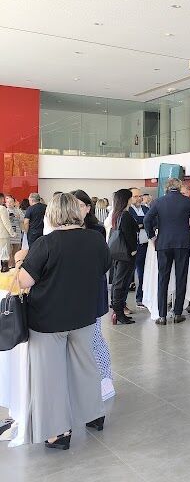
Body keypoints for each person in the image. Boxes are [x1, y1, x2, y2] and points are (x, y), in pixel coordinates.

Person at [15, 192, 111, 450]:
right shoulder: (95, 239)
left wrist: (20, 261)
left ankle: (59, 432)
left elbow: (24, 282)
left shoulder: (46, 244)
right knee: (85, 366)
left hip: (48, 319)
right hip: (84, 315)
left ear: (52, 214)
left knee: (51, 376)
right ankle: (94, 415)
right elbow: (102, 268)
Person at [72, 189, 115, 401]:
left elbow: (102, 262)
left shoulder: (97, 230)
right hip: (72, 293)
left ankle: (105, 380)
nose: (75, 209)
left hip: (92, 289)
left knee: (95, 337)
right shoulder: (63, 230)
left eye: (80, 205)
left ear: (88, 208)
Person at [144, 178, 190, 325]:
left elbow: (146, 220)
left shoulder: (158, 201)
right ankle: (177, 313)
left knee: (163, 278)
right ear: (179, 187)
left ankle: (162, 315)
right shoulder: (187, 201)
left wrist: (152, 236)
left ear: (167, 188)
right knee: (181, 277)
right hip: (183, 243)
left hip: (163, 243)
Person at [108, 189, 138, 325]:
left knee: (118, 282)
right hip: (126, 254)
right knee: (121, 283)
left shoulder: (117, 214)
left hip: (118, 253)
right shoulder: (125, 215)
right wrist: (133, 250)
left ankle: (117, 311)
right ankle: (118, 313)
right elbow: (129, 235)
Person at [128, 187, 150, 309]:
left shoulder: (146, 208)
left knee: (145, 273)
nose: (139, 198)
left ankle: (144, 297)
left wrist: (141, 223)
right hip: (135, 246)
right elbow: (134, 223)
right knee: (138, 273)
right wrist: (142, 222)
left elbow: (152, 221)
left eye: (139, 196)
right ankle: (138, 299)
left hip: (147, 245)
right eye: (135, 196)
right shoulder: (128, 211)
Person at [0, 193, 14, 268]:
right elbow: (6, 223)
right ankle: (4, 269)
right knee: (4, 253)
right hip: (3, 235)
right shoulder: (2, 208)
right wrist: (12, 233)